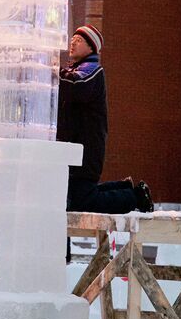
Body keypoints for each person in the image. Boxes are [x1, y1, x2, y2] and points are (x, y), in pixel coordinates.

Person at [57, 24, 154, 214]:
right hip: (77, 149)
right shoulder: (77, 70)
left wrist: (53, 72)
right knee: (78, 195)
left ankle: (134, 198)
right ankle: (125, 189)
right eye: (72, 40)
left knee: (81, 200)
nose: (73, 43)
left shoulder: (92, 70)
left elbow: (78, 86)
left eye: (79, 41)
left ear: (91, 47)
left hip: (86, 150)